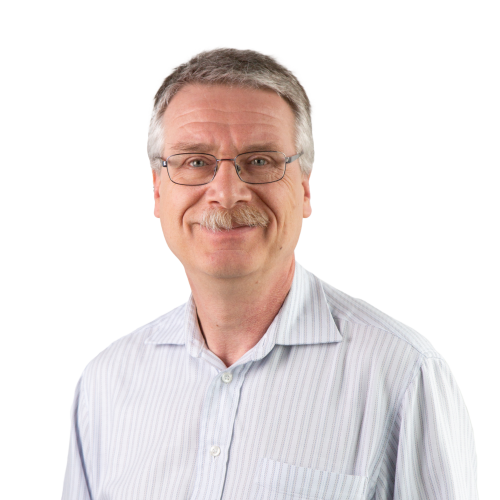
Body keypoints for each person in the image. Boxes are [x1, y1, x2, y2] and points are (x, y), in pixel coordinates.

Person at [61, 46, 479, 500]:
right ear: (157, 191)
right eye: (195, 162)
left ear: (305, 189)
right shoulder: (104, 385)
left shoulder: (404, 376)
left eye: (260, 161)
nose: (226, 193)